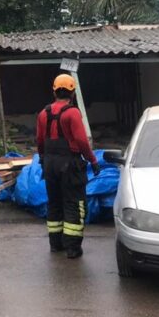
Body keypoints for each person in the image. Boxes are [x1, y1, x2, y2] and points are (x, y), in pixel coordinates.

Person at [36, 74, 100, 259]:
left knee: (54, 203)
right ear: (72, 92)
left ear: (54, 91)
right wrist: (93, 161)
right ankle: (73, 248)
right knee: (74, 203)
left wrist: (42, 157)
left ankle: (55, 244)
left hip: (49, 163)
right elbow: (81, 140)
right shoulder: (72, 113)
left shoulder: (43, 114)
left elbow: (40, 140)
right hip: (69, 164)